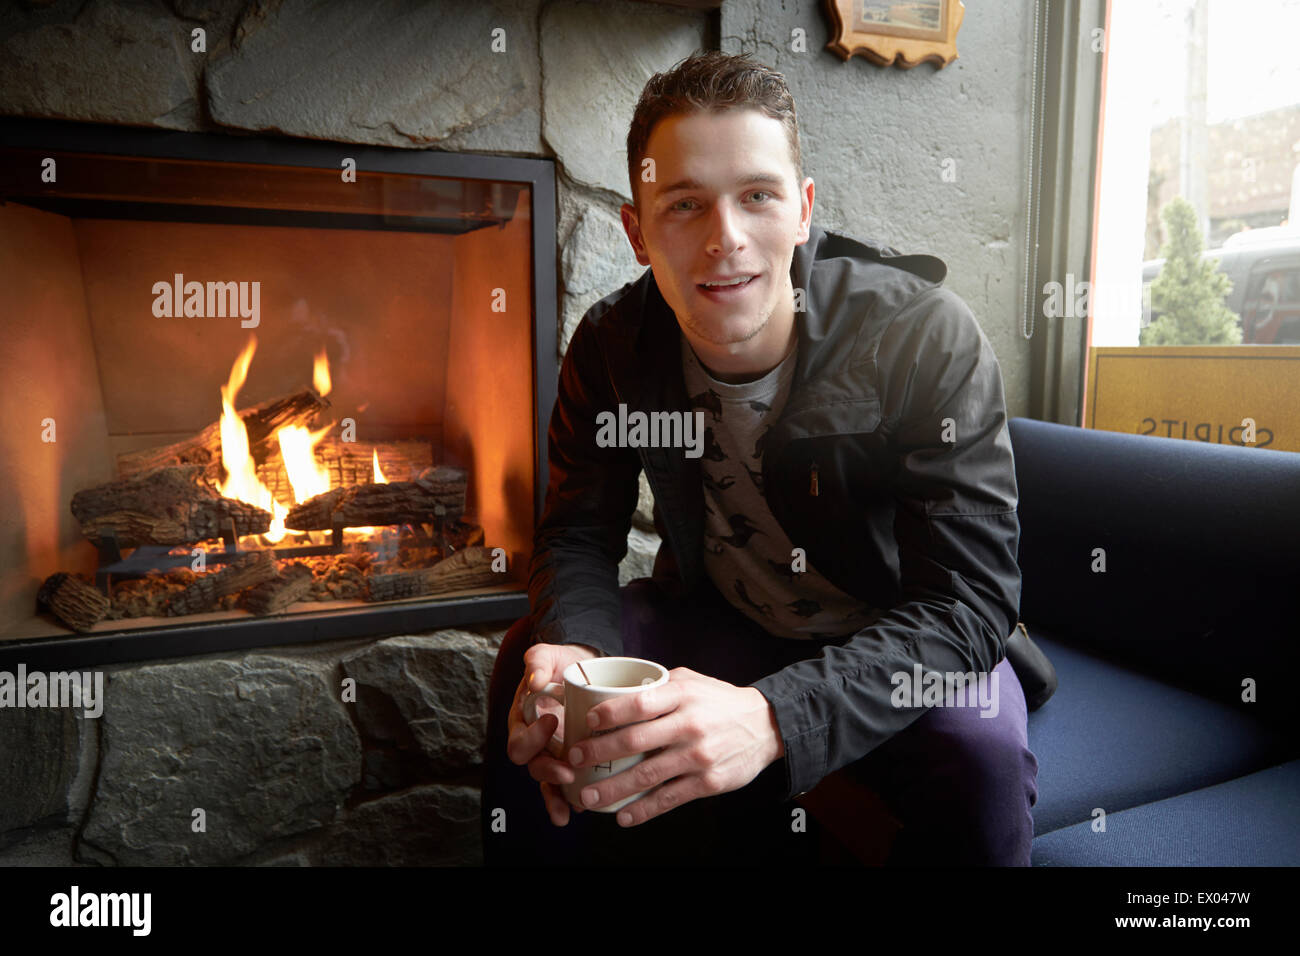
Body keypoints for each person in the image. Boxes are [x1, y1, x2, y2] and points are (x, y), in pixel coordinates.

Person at [482, 50, 1038, 866]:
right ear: (636, 231)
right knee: (526, 665)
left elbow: (969, 603)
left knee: (979, 755)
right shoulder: (611, 345)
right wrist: (575, 647)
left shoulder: (924, 335)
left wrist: (776, 718)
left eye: (758, 196)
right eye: (683, 206)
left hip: (897, 637)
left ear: (803, 209)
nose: (726, 239)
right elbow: (574, 536)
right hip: (724, 619)